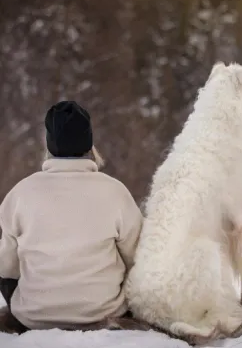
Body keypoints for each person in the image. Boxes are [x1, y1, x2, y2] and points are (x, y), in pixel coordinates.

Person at [0, 101, 143, 332]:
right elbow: (136, 257)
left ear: (48, 144)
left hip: (31, 317)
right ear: (89, 143)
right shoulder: (115, 192)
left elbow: (7, 268)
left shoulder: (20, 193)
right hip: (103, 311)